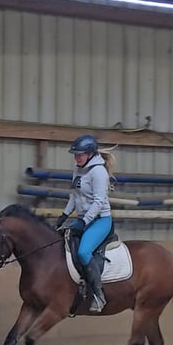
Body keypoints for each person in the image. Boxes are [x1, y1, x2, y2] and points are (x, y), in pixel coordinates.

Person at [54, 134, 115, 313]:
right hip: (83, 219)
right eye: (75, 154)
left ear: (90, 154)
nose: (76, 157)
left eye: (79, 154)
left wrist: (83, 221)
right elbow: (74, 196)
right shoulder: (78, 169)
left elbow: (98, 202)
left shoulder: (98, 172)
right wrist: (64, 216)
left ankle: (98, 294)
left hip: (100, 220)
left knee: (83, 252)